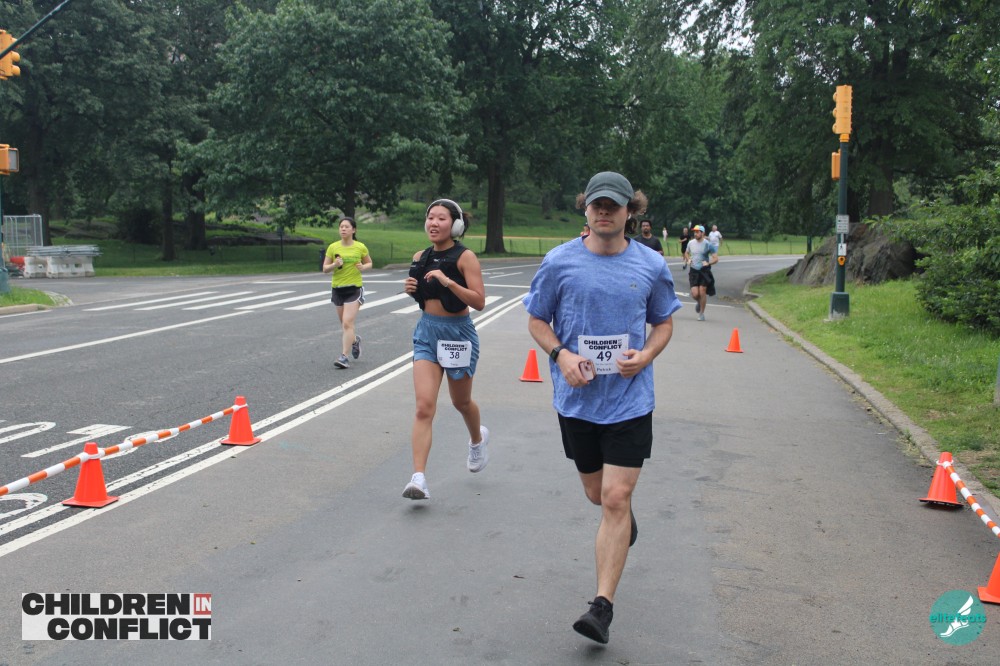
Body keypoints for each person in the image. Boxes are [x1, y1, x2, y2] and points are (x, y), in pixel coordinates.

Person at [524, 172, 681, 645]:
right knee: (598, 495)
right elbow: (537, 319)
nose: (605, 212)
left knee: (614, 498)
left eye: (614, 205)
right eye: (598, 205)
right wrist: (561, 356)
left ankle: (601, 608)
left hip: (630, 401)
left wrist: (646, 355)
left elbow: (663, 323)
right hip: (577, 401)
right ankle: (622, 518)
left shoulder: (651, 264)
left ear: (631, 211)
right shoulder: (559, 262)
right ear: (586, 208)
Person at [401, 199, 489, 500]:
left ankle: (477, 440)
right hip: (427, 333)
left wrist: (448, 281)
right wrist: (412, 290)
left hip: (457, 335)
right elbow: (425, 297)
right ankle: (418, 478)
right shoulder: (420, 257)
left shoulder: (465, 257)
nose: (434, 223)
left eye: (441, 218)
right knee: (424, 406)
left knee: (461, 402)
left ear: (455, 225)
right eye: (430, 217)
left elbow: (479, 301)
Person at [322, 217, 372, 368]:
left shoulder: (360, 247)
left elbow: (369, 262)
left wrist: (363, 267)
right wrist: (334, 264)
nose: (343, 229)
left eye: (346, 227)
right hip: (338, 289)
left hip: (354, 289)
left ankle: (344, 357)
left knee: (347, 322)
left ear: (353, 230)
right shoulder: (333, 247)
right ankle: (355, 340)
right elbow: (325, 269)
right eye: (341, 227)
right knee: (345, 325)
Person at [684, 225, 718, 321]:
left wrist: (708, 263)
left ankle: (701, 314)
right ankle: (699, 302)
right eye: (694, 232)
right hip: (694, 270)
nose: (695, 234)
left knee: (702, 291)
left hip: (704, 270)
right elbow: (686, 253)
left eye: (697, 232)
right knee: (695, 294)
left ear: (702, 233)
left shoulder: (708, 244)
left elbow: (716, 258)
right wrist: (688, 259)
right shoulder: (690, 243)